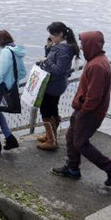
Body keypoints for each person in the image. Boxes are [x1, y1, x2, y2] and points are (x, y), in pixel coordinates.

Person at [52, 31, 111, 186]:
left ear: (91, 45)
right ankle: (72, 169)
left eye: (83, 44)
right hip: (84, 108)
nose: (81, 47)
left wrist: (83, 111)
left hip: (90, 112)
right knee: (71, 137)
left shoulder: (97, 66)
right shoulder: (97, 60)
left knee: (80, 143)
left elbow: (94, 97)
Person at [35, 22, 80, 151]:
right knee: (53, 109)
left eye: (52, 34)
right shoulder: (64, 47)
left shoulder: (63, 49)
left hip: (53, 85)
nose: (50, 36)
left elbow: (58, 69)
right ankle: (51, 135)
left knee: (46, 112)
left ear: (60, 34)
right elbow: (55, 60)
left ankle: (52, 141)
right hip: (58, 84)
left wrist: (45, 60)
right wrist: (49, 48)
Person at [0, 30, 27, 156]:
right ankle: (9, 138)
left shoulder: (5, 52)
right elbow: (23, 72)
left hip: (2, 88)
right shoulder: (16, 51)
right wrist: (12, 81)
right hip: (11, 86)